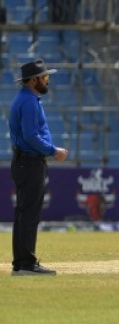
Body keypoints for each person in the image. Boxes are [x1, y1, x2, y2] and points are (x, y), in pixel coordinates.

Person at [8, 59, 69, 275]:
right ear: (33, 80)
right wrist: (53, 151)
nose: (47, 81)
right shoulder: (29, 102)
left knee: (24, 213)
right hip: (30, 162)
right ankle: (26, 264)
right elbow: (30, 135)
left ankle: (22, 263)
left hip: (26, 161)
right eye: (45, 77)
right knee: (29, 213)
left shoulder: (26, 99)